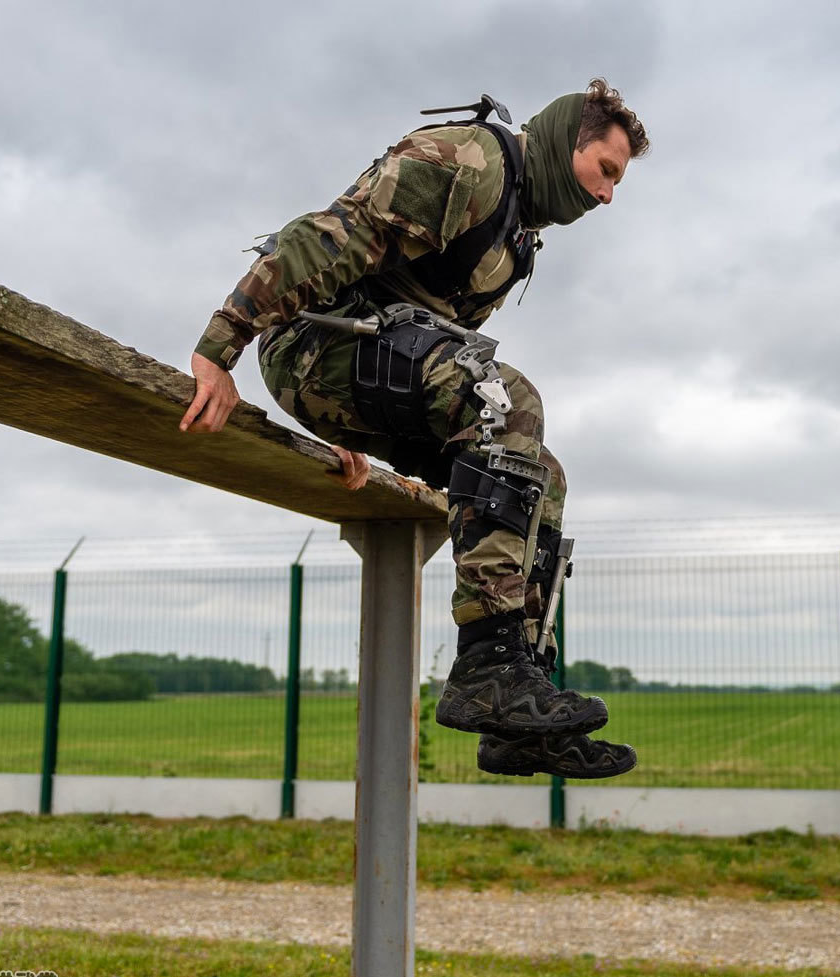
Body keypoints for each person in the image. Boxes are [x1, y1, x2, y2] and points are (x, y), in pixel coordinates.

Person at [180, 79, 648, 780]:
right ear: (565, 143)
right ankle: (485, 663)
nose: (608, 195)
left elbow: (429, 352)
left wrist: (360, 428)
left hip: (367, 368)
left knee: (541, 476)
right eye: (606, 171)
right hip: (307, 344)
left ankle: (518, 701)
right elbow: (325, 237)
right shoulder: (469, 164)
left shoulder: (519, 232)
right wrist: (220, 349)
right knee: (505, 398)